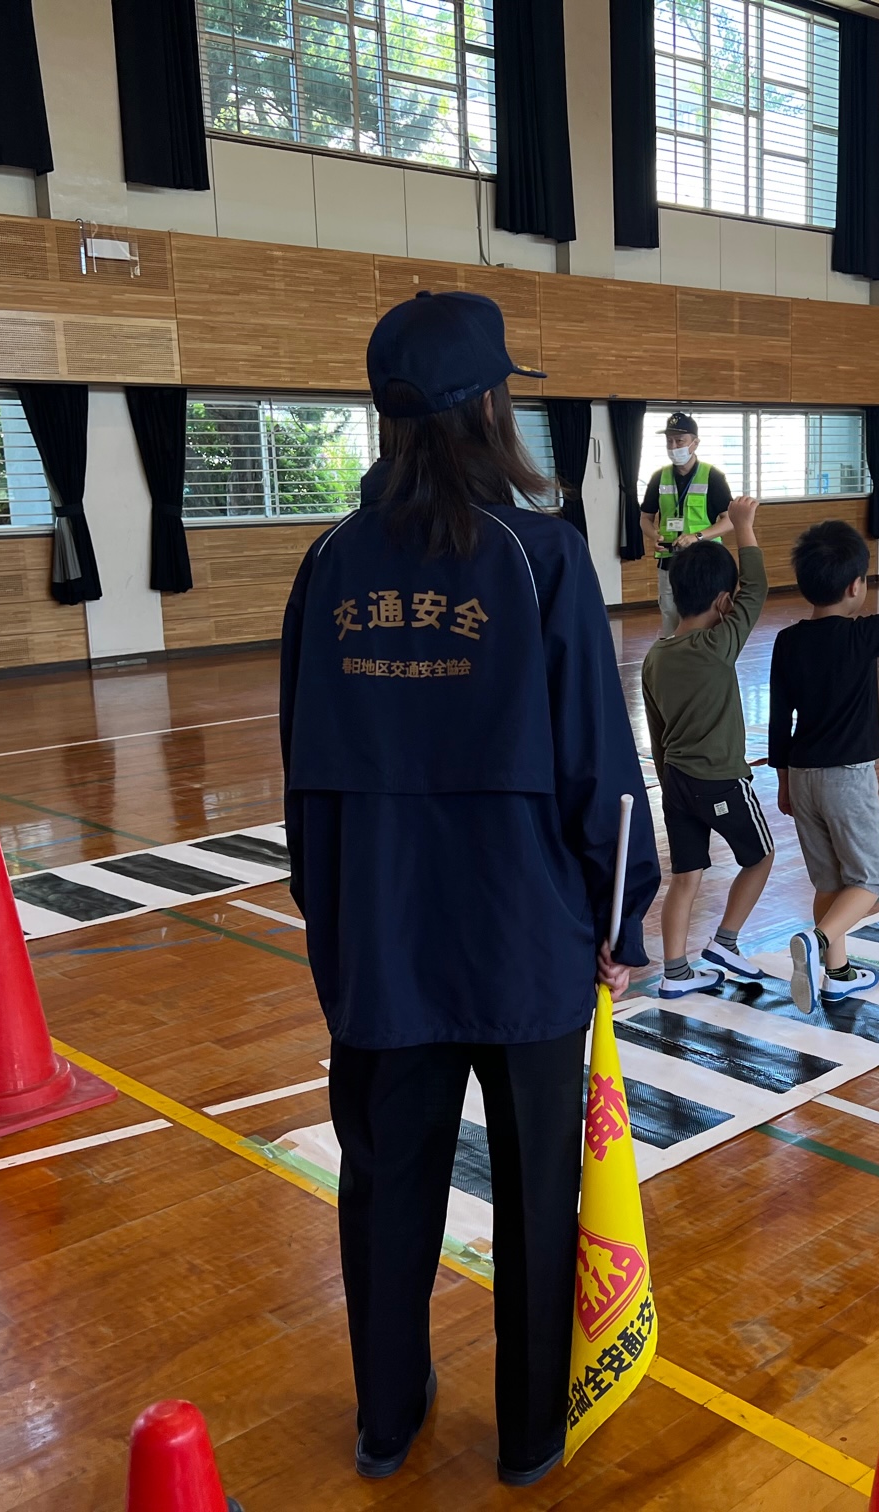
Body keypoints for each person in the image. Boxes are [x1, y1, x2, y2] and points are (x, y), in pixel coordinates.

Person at [278, 291, 660, 1488]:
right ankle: (532, 1434)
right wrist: (620, 921)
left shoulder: (328, 568)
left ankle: (385, 1421)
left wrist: (333, 927)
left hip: (381, 947)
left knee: (389, 1186)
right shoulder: (541, 559)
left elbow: (304, 776)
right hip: (527, 942)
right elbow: (601, 774)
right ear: (491, 407)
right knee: (543, 1194)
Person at [769, 488, 879, 1015]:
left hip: (801, 776)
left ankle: (838, 974)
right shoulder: (861, 636)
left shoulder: (787, 641)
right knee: (870, 879)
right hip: (845, 778)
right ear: (855, 587)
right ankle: (818, 943)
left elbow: (780, 716)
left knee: (830, 881)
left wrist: (782, 780)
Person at [641, 497, 773, 997]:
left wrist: (667, 776)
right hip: (717, 777)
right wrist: (744, 527)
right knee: (759, 856)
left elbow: (656, 733)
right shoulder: (717, 646)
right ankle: (725, 943)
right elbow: (757, 589)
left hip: (673, 780)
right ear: (724, 603)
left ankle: (676, 974)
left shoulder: (655, 657)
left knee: (686, 874)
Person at [640, 412, 735, 635]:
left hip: (706, 561)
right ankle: (672, 663)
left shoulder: (712, 476)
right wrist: (654, 536)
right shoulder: (658, 477)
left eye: (679, 441)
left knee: (709, 618)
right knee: (671, 616)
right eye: (669, 441)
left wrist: (697, 536)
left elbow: (730, 520)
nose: (674, 446)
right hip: (669, 561)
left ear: (695, 443)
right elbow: (645, 518)